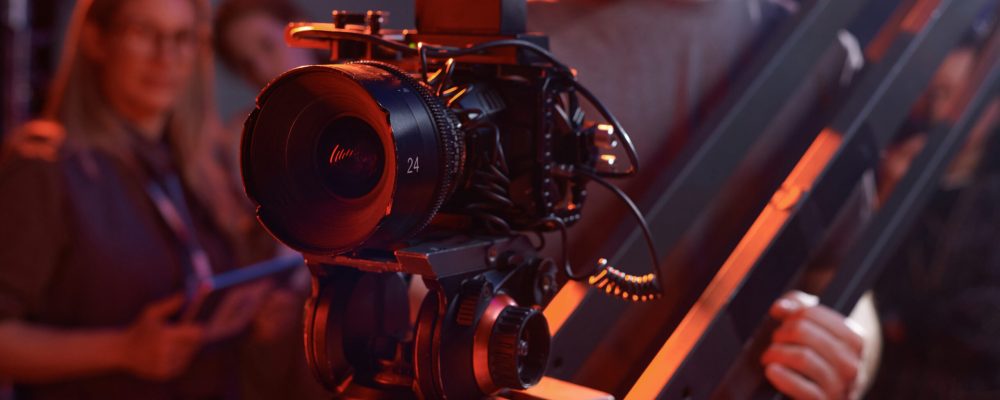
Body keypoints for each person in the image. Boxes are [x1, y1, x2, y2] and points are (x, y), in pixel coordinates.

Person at [0, 0, 282, 397]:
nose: (166, 56)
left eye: (182, 37)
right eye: (143, 33)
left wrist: (255, 316)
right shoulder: (46, 168)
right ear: (97, 41)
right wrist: (121, 350)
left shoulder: (199, 170)